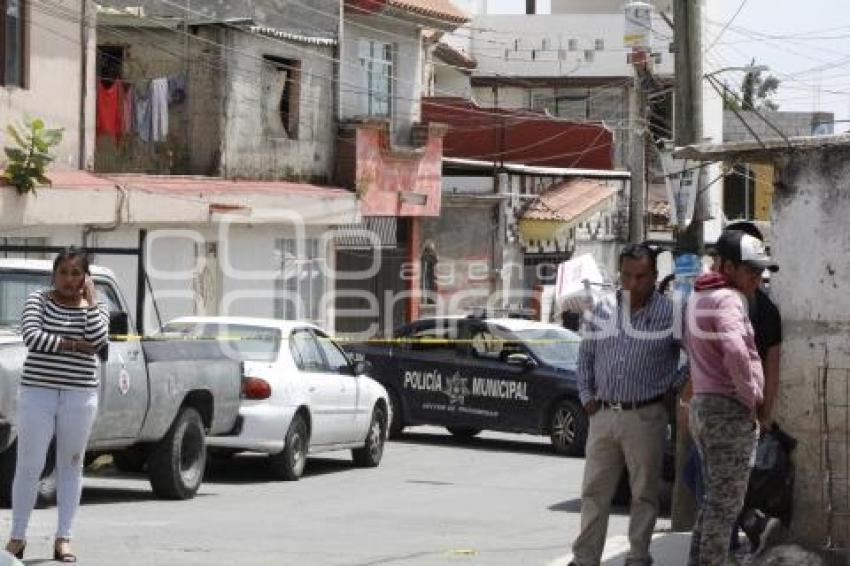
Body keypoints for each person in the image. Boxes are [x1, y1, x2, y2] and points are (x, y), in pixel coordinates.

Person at [569, 243, 684, 566]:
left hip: (645, 415)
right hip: (603, 414)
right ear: (619, 274)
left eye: (641, 276)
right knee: (594, 491)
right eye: (627, 276)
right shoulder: (601, 309)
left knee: (644, 493)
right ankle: (585, 558)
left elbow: (693, 356)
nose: (633, 284)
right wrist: (587, 399)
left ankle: (637, 556)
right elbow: (585, 359)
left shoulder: (671, 312)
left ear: (654, 276)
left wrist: (671, 388)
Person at [4, 248, 109, 563]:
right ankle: (17, 538)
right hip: (38, 392)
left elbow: (100, 341)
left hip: (79, 394)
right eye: (63, 272)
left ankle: (64, 538)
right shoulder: (38, 300)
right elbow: (33, 338)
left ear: (85, 277)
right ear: (54, 274)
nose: (69, 280)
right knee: (29, 465)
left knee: (71, 464)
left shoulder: (98, 305)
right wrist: (76, 345)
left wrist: (89, 304)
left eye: (76, 273)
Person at [684, 229, 774, 566]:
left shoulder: (699, 297)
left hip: (705, 406)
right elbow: (736, 349)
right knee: (725, 506)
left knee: (714, 501)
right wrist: (751, 394)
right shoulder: (729, 299)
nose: (758, 278)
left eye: (760, 271)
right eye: (751, 271)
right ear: (729, 268)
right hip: (727, 410)